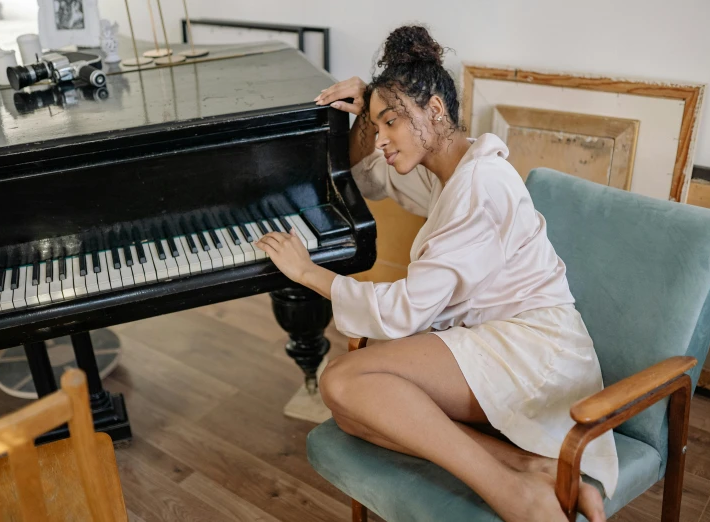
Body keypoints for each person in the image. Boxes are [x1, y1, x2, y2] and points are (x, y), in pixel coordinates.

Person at [255, 24, 617, 522]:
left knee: (342, 383)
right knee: (350, 409)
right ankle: (532, 468)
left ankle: (517, 497)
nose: (381, 140)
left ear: (437, 111)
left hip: (534, 353)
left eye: (392, 124)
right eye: (379, 128)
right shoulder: (452, 170)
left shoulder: (480, 186)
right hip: (497, 338)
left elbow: (404, 310)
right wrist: (367, 108)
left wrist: (308, 272)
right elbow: (371, 179)